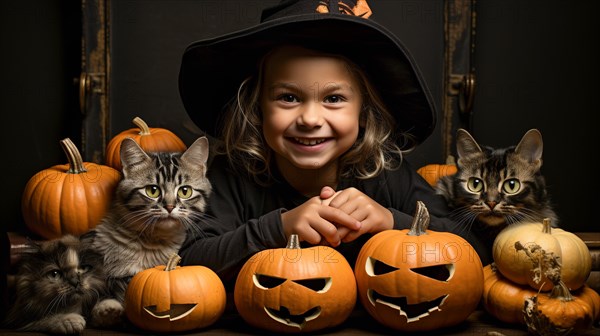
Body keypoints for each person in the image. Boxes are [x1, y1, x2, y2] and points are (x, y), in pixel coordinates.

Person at [177, 0, 489, 290]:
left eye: (334, 99)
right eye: (288, 97)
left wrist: (393, 221)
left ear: (363, 112)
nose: (310, 118)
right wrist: (279, 228)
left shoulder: (386, 174)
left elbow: (476, 249)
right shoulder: (233, 175)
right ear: (257, 108)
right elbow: (186, 261)